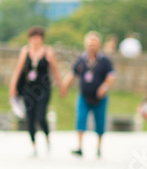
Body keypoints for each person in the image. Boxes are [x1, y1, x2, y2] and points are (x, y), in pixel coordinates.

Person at [8, 26, 63, 155]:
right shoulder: (25, 51)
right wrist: (13, 86)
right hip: (28, 89)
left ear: (42, 39)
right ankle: (33, 145)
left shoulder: (48, 52)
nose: (35, 40)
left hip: (43, 89)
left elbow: (55, 70)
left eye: (38, 37)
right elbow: (18, 70)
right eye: (33, 37)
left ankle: (47, 137)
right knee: (30, 117)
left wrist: (61, 86)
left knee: (41, 115)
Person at [63, 31, 116, 158]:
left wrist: (104, 87)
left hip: (100, 97)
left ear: (99, 44)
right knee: (81, 119)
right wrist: (64, 86)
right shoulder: (81, 60)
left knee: (100, 122)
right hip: (84, 96)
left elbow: (111, 76)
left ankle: (98, 147)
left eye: (95, 43)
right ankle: (80, 147)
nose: (92, 46)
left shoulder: (105, 61)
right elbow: (73, 74)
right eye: (90, 43)